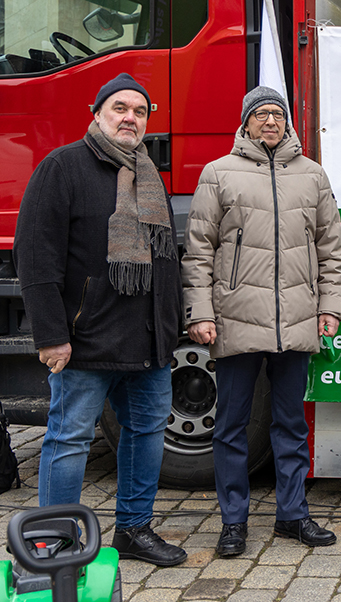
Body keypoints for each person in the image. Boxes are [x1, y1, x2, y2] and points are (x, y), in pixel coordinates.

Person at [13, 73, 186, 566]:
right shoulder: (63, 166)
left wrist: (172, 325)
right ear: (97, 113)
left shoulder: (150, 174)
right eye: (120, 108)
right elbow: (35, 257)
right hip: (85, 341)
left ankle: (133, 530)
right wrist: (51, 334)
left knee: (147, 433)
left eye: (140, 110)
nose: (131, 117)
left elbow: (165, 262)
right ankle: (55, 539)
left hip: (148, 340)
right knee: (68, 438)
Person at [181, 86, 341, 557]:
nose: (270, 121)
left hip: (295, 320)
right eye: (261, 114)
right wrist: (200, 313)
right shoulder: (218, 174)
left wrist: (329, 305)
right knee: (231, 426)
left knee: (291, 425)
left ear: (287, 122)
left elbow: (331, 249)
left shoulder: (312, 175)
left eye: (278, 114)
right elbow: (199, 252)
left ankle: (293, 515)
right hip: (235, 320)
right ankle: (233, 522)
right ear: (246, 123)